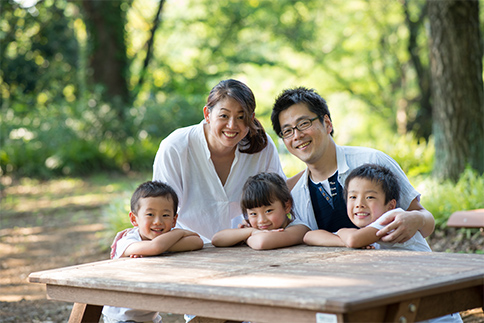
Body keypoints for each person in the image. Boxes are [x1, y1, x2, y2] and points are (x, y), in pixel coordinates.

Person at [271, 87, 435, 244]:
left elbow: (425, 221)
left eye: (304, 123)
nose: (297, 135)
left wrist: (417, 219)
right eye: (287, 131)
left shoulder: (372, 161)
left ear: (327, 123)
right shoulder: (297, 194)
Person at [305, 164, 463, 323]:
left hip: (435, 312)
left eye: (370, 197)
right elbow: (309, 236)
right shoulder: (365, 231)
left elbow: (353, 240)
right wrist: (343, 240)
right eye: (353, 197)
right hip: (412, 305)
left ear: (390, 205)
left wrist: (343, 233)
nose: (359, 203)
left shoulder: (395, 218)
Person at [153, 79, 285, 243]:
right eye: (224, 115)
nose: (232, 125)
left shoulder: (262, 147)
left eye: (241, 117)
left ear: (251, 118)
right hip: (188, 245)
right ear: (207, 114)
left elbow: (279, 195)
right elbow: (158, 206)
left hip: (245, 244)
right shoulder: (176, 147)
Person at [102, 181, 203, 323]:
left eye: (166, 215)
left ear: (174, 220)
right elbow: (155, 248)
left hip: (149, 316)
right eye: (150, 214)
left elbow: (197, 242)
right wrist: (179, 233)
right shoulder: (126, 241)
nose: (158, 221)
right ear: (134, 219)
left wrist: (164, 244)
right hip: (123, 317)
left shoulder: (164, 241)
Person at [212, 172, 310, 249]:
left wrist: (246, 236)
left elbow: (261, 242)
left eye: (268, 211)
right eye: (253, 214)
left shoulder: (299, 229)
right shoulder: (254, 230)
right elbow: (217, 239)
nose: (261, 220)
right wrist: (251, 231)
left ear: (287, 206)